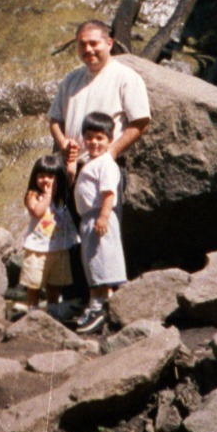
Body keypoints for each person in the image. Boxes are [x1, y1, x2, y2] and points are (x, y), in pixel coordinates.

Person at [49, 19, 151, 170]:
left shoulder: (126, 77)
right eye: (82, 44)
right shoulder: (71, 79)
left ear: (109, 43)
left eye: (93, 43)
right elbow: (54, 119)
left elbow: (141, 122)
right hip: (70, 167)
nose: (88, 49)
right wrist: (63, 143)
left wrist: (112, 152)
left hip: (105, 168)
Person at [69, 111, 126, 332]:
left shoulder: (106, 163)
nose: (94, 142)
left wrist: (103, 217)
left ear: (110, 140)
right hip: (89, 219)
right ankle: (98, 304)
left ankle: (99, 308)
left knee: (101, 260)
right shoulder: (90, 162)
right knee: (92, 262)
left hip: (99, 217)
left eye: (100, 138)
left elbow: (109, 193)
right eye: (90, 137)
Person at [20, 154, 78, 309]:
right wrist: (47, 195)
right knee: (34, 283)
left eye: (51, 176)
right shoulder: (32, 195)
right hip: (37, 249)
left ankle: (53, 309)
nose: (45, 180)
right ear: (34, 177)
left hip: (58, 248)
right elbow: (37, 212)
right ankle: (32, 308)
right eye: (41, 176)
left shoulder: (61, 196)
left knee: (55, 284)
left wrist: (71, 161)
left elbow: (71, 176)